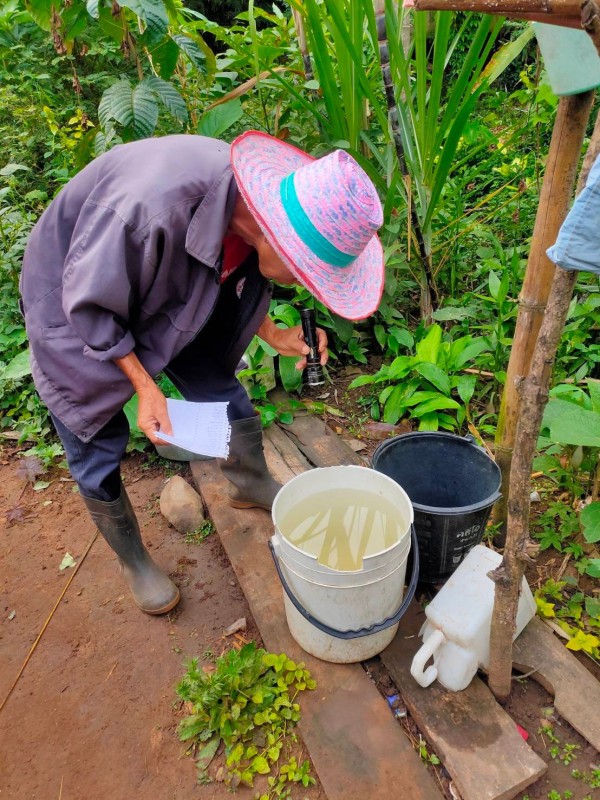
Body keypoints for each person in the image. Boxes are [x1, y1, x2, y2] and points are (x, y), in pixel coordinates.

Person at [19, 130, 385, 615]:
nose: (306, 285)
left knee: (215, 379)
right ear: (277, 236)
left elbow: (232, 273)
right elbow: (89, 306)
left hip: (168, 286)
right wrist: (145, 388)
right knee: (90, 423)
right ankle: (132, 559)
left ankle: (249, 481)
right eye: (306, 272)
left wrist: (274, 334)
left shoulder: (251, 214)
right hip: (76, 291)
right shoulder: (150, 209)